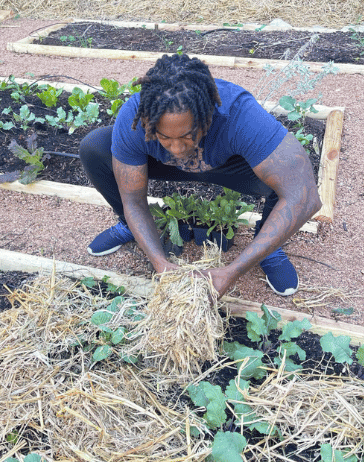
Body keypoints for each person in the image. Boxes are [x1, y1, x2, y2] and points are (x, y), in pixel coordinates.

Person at [79, 54, 321, 297]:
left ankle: (269, 248)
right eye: (164, 136)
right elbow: (133, 201)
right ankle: (130, 227)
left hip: (229, 168)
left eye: (187, 135)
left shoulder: (239, 114)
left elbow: (305, 196)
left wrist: (233, 270)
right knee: (95, 147)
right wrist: (160, 264)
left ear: (208, 116)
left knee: (287, 179)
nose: (176, 148)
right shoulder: (137, 116)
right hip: (166, 166)